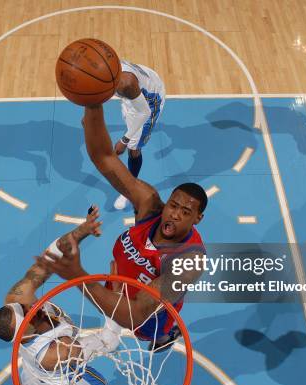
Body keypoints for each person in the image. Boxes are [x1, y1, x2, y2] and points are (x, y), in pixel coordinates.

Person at [38, 103, 206, 352]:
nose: (175, 214)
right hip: (117, 287)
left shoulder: (189, 262)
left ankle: (166, 336)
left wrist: (78, 276)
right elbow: (105, 158)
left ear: (197, 219)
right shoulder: (149, 205)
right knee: (111, 326)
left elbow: (136, 314)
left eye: (186, 212)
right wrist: (92, 106)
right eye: (174, 205)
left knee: (149, 335)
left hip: (147, 316)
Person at [0, 208, 122, 385]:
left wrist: (82, 231)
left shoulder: (19, 297)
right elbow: (105, 342)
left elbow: (49, 258)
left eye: (23, 309)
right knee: (102, 375)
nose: (31, 310)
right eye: (28, 318)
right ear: (23, 337)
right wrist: (115, 298)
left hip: (32, 377)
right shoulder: (52, 353)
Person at [112, 60, 165, 209]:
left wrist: (124, 140)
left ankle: (130, 188)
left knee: (133, 148)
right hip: (140, 87)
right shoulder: (104, 68)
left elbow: (144, 112)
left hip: (149, 102)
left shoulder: (125, 84)